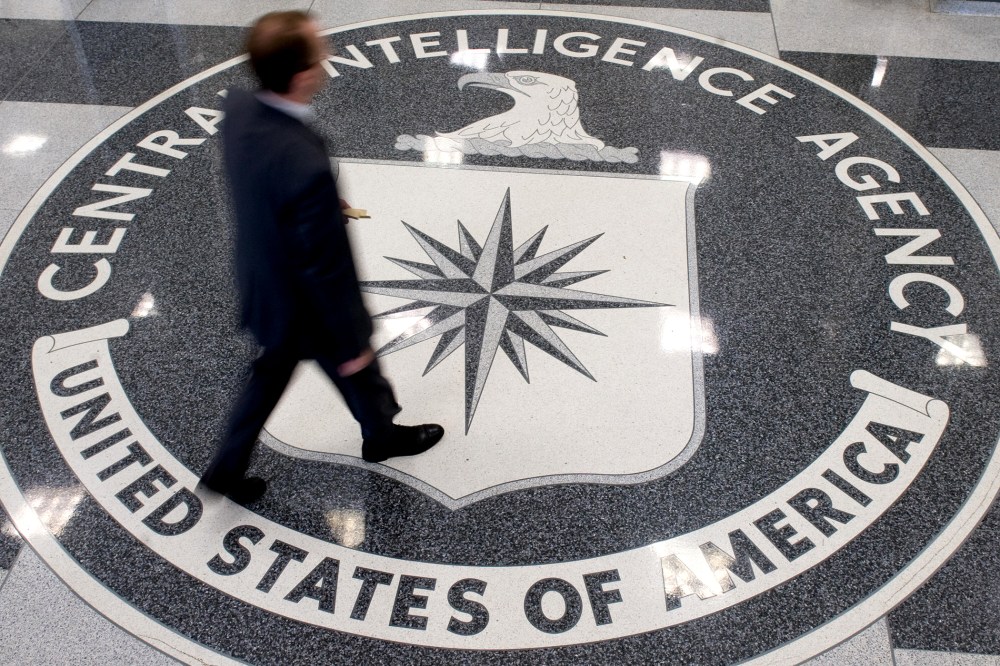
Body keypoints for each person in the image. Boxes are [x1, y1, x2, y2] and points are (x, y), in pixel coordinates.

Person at [201, 11, 444, 504]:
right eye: (319, 53)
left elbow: (262, 179)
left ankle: (226, 468)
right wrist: (350, 333)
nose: (327, 58)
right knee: (356, 362)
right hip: (305, 302)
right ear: (302, 75)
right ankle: (381, 436)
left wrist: (305, 205)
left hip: (262, 280)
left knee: (270, 376)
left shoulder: (241, 108)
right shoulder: (304, 166)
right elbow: (324, 266)